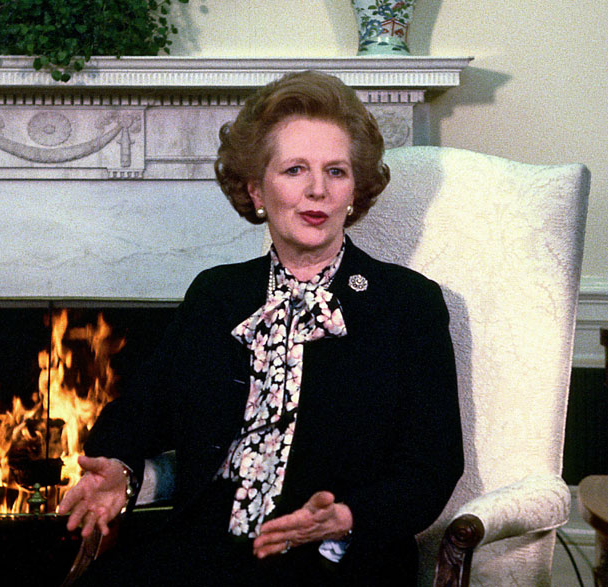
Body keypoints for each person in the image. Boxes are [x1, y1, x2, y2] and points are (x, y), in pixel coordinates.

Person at [59, 70, 463, 586]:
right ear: (255, 189)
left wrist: (344, 518)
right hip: (205, 552)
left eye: (336, 172)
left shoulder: (408, 304)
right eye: (295, 169)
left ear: (354, 192)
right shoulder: (217, 294)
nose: (317, 190)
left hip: (336, 562)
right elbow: (143, 408)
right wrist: (118, 464)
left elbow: (432, 465)